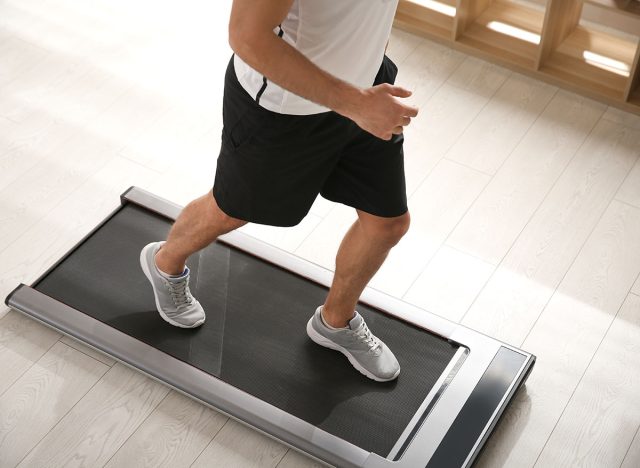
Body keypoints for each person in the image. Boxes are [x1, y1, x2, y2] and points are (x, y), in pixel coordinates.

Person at [139, 0, 418, 382]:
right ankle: (165, 264)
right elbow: (246, 35)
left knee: (388, 223)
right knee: (230, 210)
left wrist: (365, 69)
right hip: (283, 109)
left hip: (368, 90)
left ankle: (335, 323)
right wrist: (354, 103)